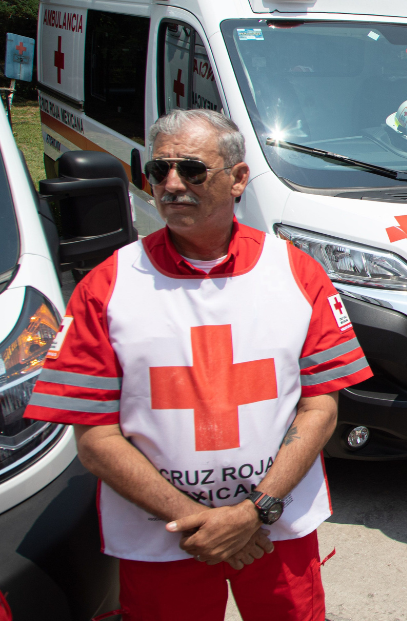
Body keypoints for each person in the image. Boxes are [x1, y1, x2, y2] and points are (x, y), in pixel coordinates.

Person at [24, 109, 372, 620]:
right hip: (163, 535)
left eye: (191, 170)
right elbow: (94, 440)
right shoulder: (107, 284)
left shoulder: (296, 270)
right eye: (158, 170)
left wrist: (255, 511)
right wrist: (200, 522)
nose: (170, 184)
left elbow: (321, 406)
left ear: (238, 179)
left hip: (274, 526)